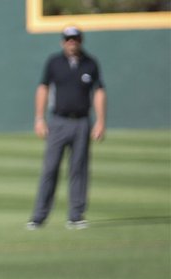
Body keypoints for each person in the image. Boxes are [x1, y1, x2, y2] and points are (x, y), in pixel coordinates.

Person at [27, 26, 106, 230]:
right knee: (50, 168)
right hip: (58, 122)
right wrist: (39, 118)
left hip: (81, 121)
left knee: (79, 169)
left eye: (75, 39)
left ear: (81, 40)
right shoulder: (54, 62)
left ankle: (76, 215)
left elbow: (98, 91)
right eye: (68, 39)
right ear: (63, 42)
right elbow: (43, 88)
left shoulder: (90, 63)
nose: (72, 42)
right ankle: (39, 216)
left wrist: (100, 121)